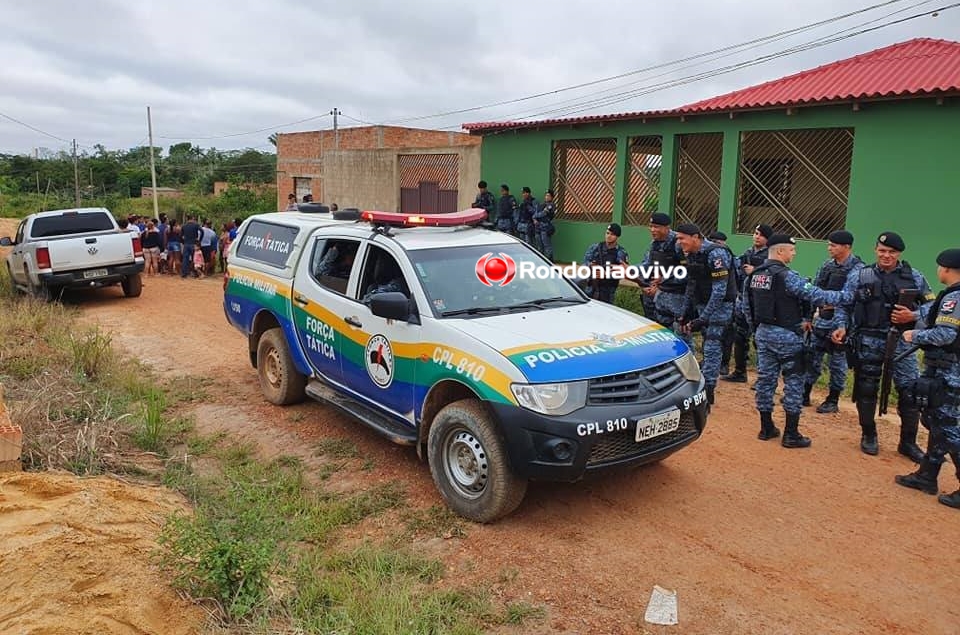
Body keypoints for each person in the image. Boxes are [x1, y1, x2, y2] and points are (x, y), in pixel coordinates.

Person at [832, 232, 936, 460]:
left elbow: (933, 307)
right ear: (875, 250)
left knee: (909, 392)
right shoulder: (860, 274)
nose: (886, 255)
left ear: (899, 254)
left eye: (892, 252)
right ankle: (869, 435)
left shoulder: (914, 277)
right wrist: (841, 326)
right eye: (882, 251)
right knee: (866, 387)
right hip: (868, 340)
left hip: (901, 342)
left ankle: (907, 443)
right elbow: (844, 304)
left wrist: (913, 314)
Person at [744, 235, 846, 447]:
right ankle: (791, 434)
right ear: (780, 252)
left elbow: (747, 307)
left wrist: (757, 331)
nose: (794, 253)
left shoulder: (754, 275)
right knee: (794, 382)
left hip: (763, 334)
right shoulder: (788, 276)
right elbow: (816, 295)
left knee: (765, 380)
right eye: (792, 250)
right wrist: (848, 296)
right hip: (788, 336)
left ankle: (766, 427)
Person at [895, 248, 960, 509]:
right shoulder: (950, 296)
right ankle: (927, 475)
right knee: (935, 420)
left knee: (948, 427)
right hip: (943, 369)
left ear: (944, 269)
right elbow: (928, 313)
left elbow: (945, 336)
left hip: (950, 371)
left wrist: (914, 336)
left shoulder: (954, 298)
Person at [676, 223, 737, 408]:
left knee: (711, 347)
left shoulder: (716, 253)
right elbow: (691, 284)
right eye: (678, 239)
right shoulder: (692, 255)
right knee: (702, 343)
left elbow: (719, 291)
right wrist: (685, 313)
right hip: (703, 304)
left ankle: (708, 394)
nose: (679, 242)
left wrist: (704, 318)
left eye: (682, 238)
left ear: (695, 237)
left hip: (720, 307)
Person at [804, 230, 864, 413]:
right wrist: (808, 317)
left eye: (833, 245)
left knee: (837, 362)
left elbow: (852, 298)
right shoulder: (827, 265)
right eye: (829, 244)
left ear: (847, 247)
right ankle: (804, 393)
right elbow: (815, 291)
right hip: (822, 320)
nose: (829, 248)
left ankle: (833, 399)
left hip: (843, 323)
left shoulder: (858, 269)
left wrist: (838, 313)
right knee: (811, 356)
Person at [722, 224, 772, 383]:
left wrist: (755, 270)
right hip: (744, 301)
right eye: (755, 233)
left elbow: (773, 275)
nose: (757, 236)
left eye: (761, 235)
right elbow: (735, 265)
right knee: (740, 337)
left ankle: (762, 378)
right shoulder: (748, 252)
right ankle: (739, 371)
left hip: (760, 304)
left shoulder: (771, 256)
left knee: (760, 341)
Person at [641, 213, 686, 331]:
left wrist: (664, 279)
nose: (652, 230)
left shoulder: (678, 243)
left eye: (656, 227)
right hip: (660, 296)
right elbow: (649, 266)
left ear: (667, 228)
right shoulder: (654, 244)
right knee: (660, 331)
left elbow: (688, 271)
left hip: (678, 297)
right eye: (650, 226)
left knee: (680, 334)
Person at [582, 224, 628, 304]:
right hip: (591, 288)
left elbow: (622, 272)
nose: (609, 236)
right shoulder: (595, 247)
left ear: (617, 236)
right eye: (607, 233)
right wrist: (591, 266)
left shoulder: (620, 252)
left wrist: (606, 274)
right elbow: (585, 262)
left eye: (612, 234)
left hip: (608, 290)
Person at [532, 189, 556, 261]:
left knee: (547, 245)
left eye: (548, 196)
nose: (546, 197)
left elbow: (543, 214)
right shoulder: (541, 205)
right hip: (538, 228)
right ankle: (541, 261)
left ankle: (550, 261)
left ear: (552, 197)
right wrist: (534, 219)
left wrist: (535, 216)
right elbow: (534, 214)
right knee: (539, 246)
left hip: (545, 228)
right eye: (546, 195)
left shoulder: (551, 205)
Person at [180, 215, 202, 279]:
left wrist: (183, 241)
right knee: (195, 259)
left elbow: (181, 235)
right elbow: (202, 231)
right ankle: (195, 273)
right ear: (192, 218)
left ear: (187, 219)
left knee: (185, 259)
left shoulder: (184, 226)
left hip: (186, 244)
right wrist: (199, 240)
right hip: (193, 243)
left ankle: (184, 274)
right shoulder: (196, 225)